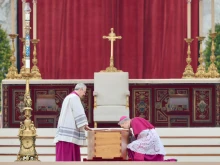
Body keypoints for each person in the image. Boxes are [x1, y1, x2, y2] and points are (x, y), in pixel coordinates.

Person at [54, 83, 91, 161]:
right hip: (70, 131)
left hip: (64, 130)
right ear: (80, 89)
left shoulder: (68, 97)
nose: (84, 94)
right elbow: (78, 111)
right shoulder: (74, 98)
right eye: (84, 91)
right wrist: (84, 124)